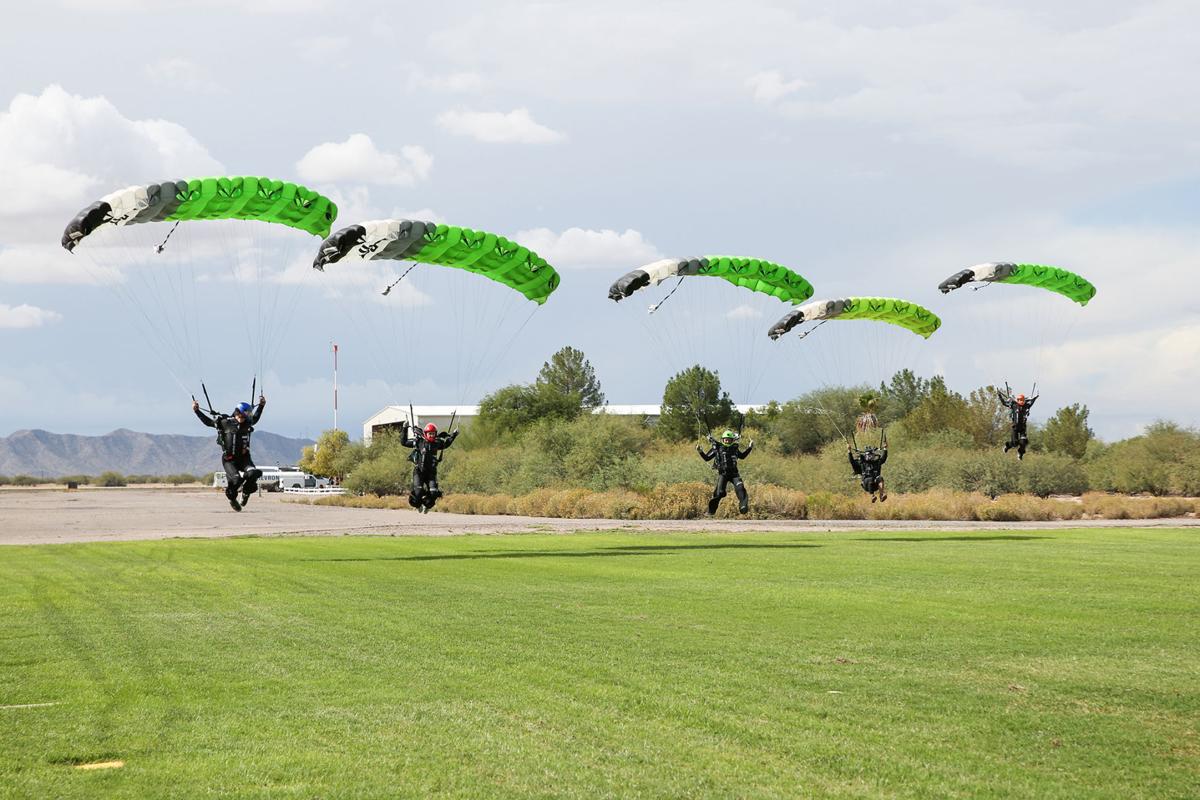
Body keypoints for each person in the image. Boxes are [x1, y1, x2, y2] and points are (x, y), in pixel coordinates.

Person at [193, 394, 266, 511]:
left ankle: (246, 493)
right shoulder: (225, 422)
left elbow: (256, 418)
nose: (244, 419)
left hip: (244, 458)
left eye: (246, 417)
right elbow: (208, 422)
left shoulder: (247, 423)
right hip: (229, 459)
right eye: (243, 415)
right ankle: (232, 499)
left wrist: (261, 405)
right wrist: (197, 411)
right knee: (236, 480)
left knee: (253, 474)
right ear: (237, 413)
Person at [401, 420, 459, 513]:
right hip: (419, 471)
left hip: (431, 473)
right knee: (418, 492)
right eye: (429, 434)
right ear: (426, 434)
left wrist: (454, 435)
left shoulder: (437, 443)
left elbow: (447, 443)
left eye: (433, 434)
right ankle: (417, 505)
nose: (431, 435)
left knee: (433, 492)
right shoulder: (419, 441)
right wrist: (404, 428)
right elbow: (403, 442)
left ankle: (427, 505)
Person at [697, 429, 754, 515]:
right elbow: (707, 458)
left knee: (740, 488)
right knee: (719, 493)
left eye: (729, 439)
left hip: (734, 474)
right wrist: (700, 451)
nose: (727, 441)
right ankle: (711, 511)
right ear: (722, 439)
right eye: (725, 439)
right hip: (723, 474)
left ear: (732, 440)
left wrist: (750, 447)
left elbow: (742, 456)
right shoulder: (717, 448)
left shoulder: (734, 448)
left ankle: (743, 506)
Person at [998, 388, 1038, 460]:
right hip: (1015, 428)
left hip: (1022, 428)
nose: (1021, 401)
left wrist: (1035, 397)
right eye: (1019, 400)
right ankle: (1007, 447)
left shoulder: (1026, 406)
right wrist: (999, 395)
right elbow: (1004, 403)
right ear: (1017, 400)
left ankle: (1020, 454)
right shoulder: (1014, 405)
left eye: (1022, 400)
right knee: (1015, 443)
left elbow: (1032, 401)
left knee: (1023, 442)